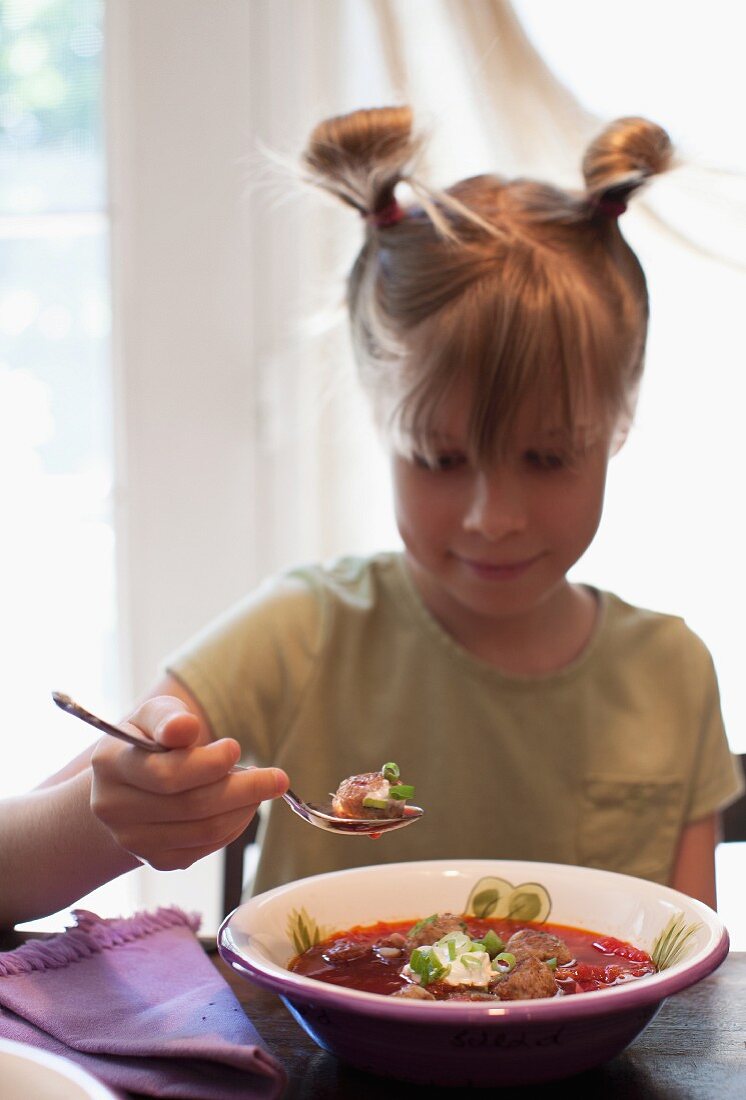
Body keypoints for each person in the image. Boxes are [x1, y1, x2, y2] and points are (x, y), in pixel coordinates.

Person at [1, 107, 742, 929]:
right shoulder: (305, 633)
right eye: (440, 459)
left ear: (619, 423)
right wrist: (116, 816)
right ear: (382, 420)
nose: (493, 519)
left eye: (549, 457)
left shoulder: (672, 673)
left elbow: (686, 969)